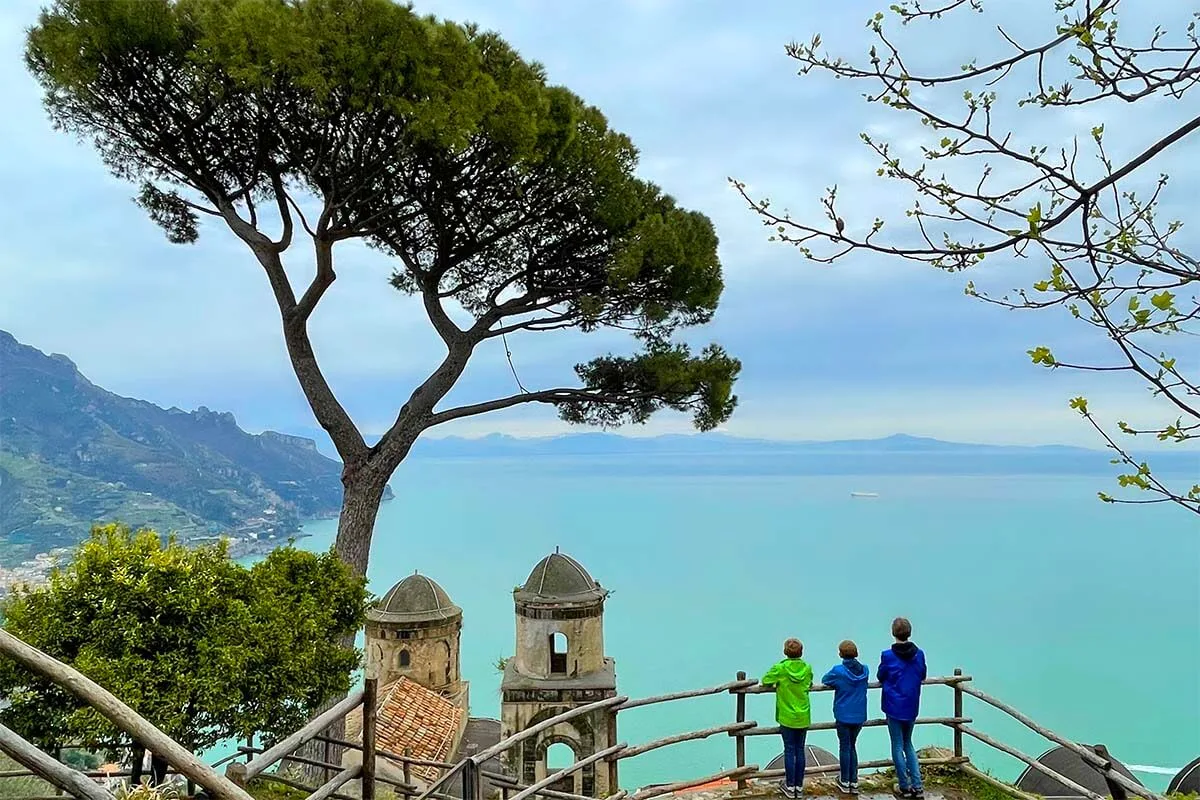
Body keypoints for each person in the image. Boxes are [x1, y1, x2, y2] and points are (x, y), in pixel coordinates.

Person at [878, 617, 928, 799]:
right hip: (912, 704)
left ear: (893, 633)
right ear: (909, 632)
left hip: (893, 706)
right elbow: (922, 674)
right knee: (908, 743)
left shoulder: (888, 655)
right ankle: (918, 786)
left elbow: (881, 675)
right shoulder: (920, 654)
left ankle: (904, 786)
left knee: (897, 744)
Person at [761, 637, 814, 799]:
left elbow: (765, 680)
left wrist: (777, 685)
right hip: (803, 716)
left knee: (790, 750)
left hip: (787, 717)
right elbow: (810, 683)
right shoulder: (807, 668)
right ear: (801, 652)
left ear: (785, 652)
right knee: (800, 750)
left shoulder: (781, 669)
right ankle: (799, 785)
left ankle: (790, 786)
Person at [822, 639, 869, 795]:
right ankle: (854, 781)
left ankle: (845, 780)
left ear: (840, 654)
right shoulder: (865, 670)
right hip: (859, 715)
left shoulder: (838, 671)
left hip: (843, 715)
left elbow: (825, 680)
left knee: (845, 746)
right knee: (853, 746)